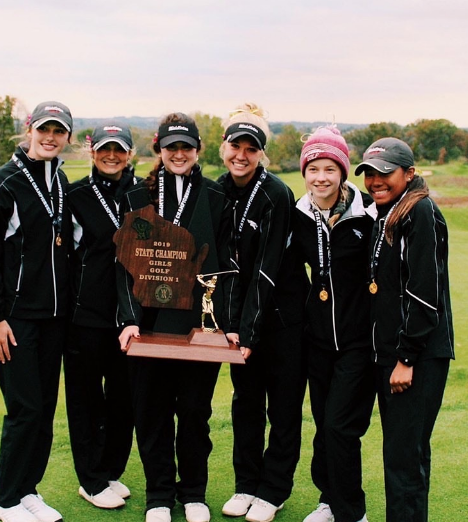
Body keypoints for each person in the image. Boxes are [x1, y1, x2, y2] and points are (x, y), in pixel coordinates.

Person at [118, 113, 231, 522]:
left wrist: (224, 323)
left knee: (196, 414)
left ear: (198, 150)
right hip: (148, 325)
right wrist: (128, 319)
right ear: (159, 150)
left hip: (196, 328)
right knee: (152, 412)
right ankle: (159, 496)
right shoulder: (135, 197)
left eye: (186, 147)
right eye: (171, 147)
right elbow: (123, 265)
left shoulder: (216, 198)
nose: (179, 154)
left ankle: (194, 494)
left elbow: (225, 267)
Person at [0, 101, 73, 522]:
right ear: (29, 129)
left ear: (68, 136)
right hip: (15, 319)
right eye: (43, 129)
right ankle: (3, 499)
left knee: (44, 409)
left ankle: (27, 489)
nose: (50, 137)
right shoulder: (3, 181)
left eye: (59, 131)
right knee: (25, 409)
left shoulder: (61, 181)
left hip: (53, 319)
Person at [355, 137, 454, 522]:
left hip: (418, 357)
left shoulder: (420, 211)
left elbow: (425, 293)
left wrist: (406, 358)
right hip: (395, 355)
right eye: (370, 174)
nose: (376, 181)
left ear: (409, 173)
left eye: (385, 173)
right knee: (402, 454)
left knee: (404, 458)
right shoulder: (388, 211)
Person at [218, 103, 308, 522]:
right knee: (246, 405)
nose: (241, 154)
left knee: (284, 408)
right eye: (235, 146)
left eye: (250, 148)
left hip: (284, 321)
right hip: (242, 325)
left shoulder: (276, 194)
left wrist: (248, 333)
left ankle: (273, 491)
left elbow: (267, 272)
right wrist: (232, 327)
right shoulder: (217, 190)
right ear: (223, 148)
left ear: (261, 153)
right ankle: (245, 485)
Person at [293, 126, 376, 522]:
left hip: (358, 342)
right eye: (313, 169)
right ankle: (328, 500)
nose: (320, 177)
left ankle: (351, 512)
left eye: (329, 168)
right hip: (319, 341)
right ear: (304, 171)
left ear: (343, 171)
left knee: (342, 428)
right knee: (324, 425)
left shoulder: (367, 213)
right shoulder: (300, 214)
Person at [64, 122, 139, 509]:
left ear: (130, 154)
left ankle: (109, 472)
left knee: (124, 399)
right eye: (105, 149)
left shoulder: (143, 193)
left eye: (120, 150)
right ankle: (90, 480)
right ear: (92, 152)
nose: (112, 157)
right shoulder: (75, 195)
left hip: (130, 317)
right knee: (86, 400)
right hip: (86, 315)